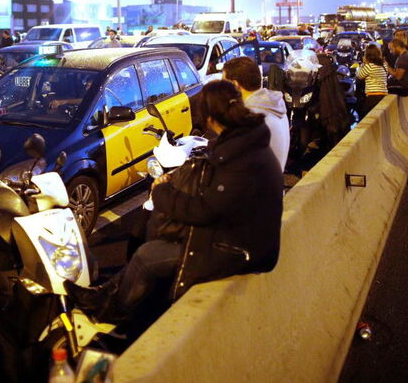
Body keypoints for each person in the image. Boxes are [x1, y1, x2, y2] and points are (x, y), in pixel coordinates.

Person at [65, 81, 283, 320]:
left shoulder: (242, 155)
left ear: (210, 118)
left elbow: (205, 210)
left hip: (240, 249)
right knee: (158, 241)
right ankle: (104, 294)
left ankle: (114, 312)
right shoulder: (247, 140)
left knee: (147, 256)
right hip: (241, 236)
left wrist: (163, 192)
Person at [222, 56, 289, 170]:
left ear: (235, 84)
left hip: (259, 185)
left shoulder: (252, 116)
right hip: (273, 180)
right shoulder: (273, 104)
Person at [355, 43, 388, 118]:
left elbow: (359, 75)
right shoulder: (383, 65)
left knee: (367, 116)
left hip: (373, 96)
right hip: (383, 95)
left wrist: (363, 64)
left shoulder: (369, 66)